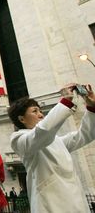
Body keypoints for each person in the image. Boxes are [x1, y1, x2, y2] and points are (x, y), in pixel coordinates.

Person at [8, 83, 95, 213]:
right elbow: (42, 132)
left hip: (75, 201)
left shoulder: (56, 140)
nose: (41, 115)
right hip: (50, 204)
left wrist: (91, 107)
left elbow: (85, 135)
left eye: (40, 110)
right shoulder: (19, 139)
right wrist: (66, 101)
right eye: (34, 111)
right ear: (22, 119)